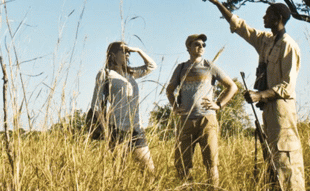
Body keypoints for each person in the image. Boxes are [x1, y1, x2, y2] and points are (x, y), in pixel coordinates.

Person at [202, 0, 305, 191]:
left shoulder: (289, 46)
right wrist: (216, 3)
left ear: (279, 18)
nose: (263, 17)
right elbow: (240, 26)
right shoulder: (266, 40)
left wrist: (259, 94)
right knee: (272, 157)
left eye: (268, 14)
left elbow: (287, 86)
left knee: (286, 155)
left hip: (282, 109)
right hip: (267, 108)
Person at [165, 33, 237, 186]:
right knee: (182, 164)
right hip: (186, 120)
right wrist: (175, 107)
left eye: (203, 45)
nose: (201, 47)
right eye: (197, 44)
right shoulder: (181, 68)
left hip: (206, 119)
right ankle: (186, 188)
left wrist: (219, 105)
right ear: (188, 47)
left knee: (211, 163)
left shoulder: (209, 66)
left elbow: (232, 86)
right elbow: (169, 90)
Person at [87, 41, 157, 174]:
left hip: (136, 128)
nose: (128, 54)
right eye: (124, 51)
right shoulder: (105, 74)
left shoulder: (130, 73)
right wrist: (107, 133)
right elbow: (96, 106)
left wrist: (137, 50)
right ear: (113, 55)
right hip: (117, 129)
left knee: (150, 172)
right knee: (120, 173)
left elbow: (152, 66)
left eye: (128, 52)